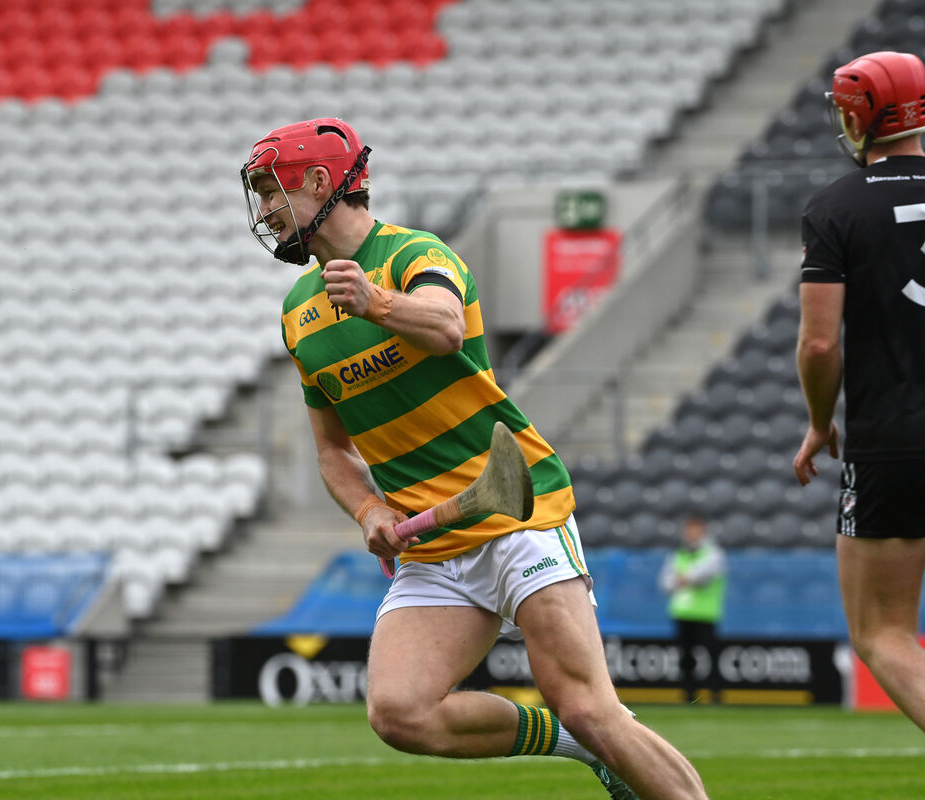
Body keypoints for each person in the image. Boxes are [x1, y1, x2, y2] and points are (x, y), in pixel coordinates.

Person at [243, 118, 707, 800]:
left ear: (320, 183)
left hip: (517, 503)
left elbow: (444, 324)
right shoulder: (299, 313)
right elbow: (333, 452)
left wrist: (374, 301)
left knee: (586, 699)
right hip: (434, 540)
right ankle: (575, 742)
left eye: (270, 190)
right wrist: (368, 508)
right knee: (399, 713)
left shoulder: (413, 254)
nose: (263, 210)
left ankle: (593, 728)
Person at [794, 50, 925, 731]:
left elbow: (820, 343)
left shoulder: (837, 206)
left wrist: (821, 422)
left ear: (860, 115)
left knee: (883, 634)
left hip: (895, 443)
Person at [659, 516, 726, 704]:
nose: (691, 534)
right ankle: (689, 695)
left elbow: (704, 573)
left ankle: (715, 695)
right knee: (685, 657)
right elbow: (665, 583)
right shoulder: (678, 554)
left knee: (711, 656)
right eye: (689, 529)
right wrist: (684, 579)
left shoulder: (713, 553)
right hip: (682, 613)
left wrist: (684, 578)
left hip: (705, 614)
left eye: (695, 530)